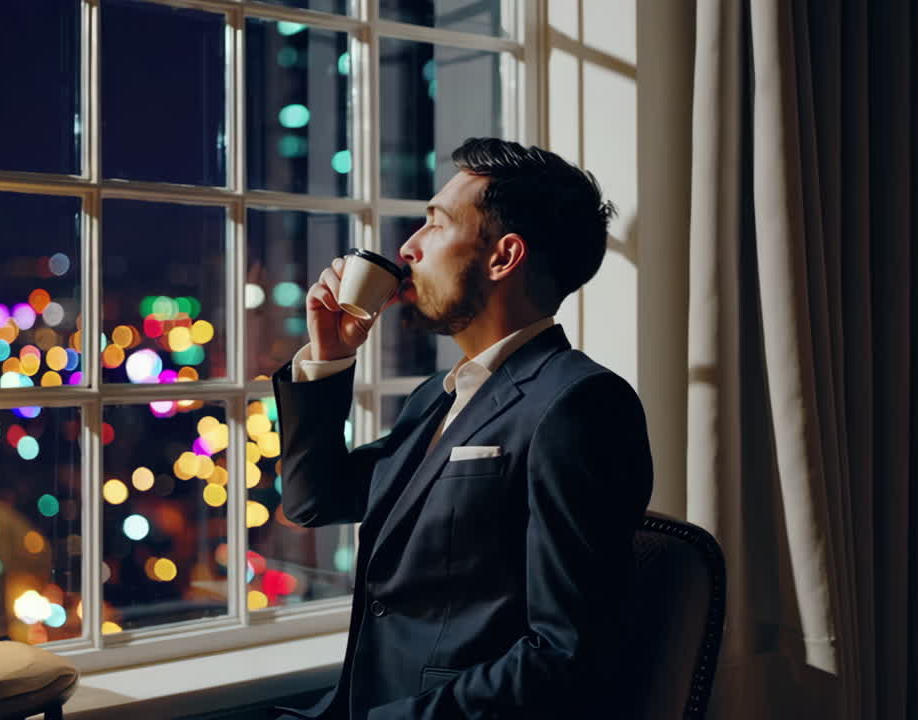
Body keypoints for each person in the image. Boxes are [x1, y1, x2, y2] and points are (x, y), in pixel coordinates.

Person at [271, 138, 653, 719]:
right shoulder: (437, 397)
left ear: (504, 257)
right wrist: (329, 359)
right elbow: (312, 499)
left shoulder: (582, 405)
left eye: (435, 223)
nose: (408, 247)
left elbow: (567, 653)